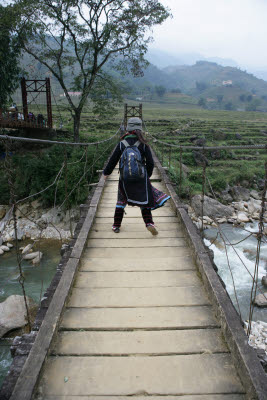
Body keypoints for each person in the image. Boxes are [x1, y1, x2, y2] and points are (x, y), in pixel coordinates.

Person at [103, 117, 170, 235]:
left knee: (121, 201)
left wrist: (106, 173)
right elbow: (150, 163)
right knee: (144, 201)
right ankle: (149, 223)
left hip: (124, 178)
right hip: (141, 178)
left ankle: (116, 226)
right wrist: (146, 176)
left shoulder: (121, 144)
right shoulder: (143, 144)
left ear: (128, 129)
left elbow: (113, 160)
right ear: (140, 129)